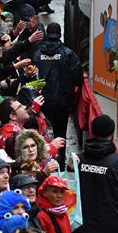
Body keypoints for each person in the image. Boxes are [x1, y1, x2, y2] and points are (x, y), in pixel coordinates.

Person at [32, 23, 82, 157]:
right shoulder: (68, 54)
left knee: (42, 133)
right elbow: (78, 77)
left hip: (42, 102)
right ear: (59, 34)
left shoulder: (37, 54)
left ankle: (44, 159)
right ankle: (59, 161)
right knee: (60, 134)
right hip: (62, 102)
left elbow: (30, 76)